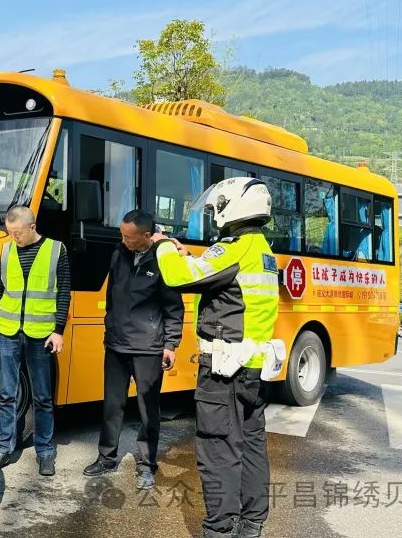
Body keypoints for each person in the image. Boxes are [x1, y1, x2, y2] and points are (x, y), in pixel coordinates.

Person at [151, 178, 284, 538]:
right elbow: (221, 282)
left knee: (217, 448)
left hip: (224, 370)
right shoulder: (261, 250)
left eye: (215, 208)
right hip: (253, 368)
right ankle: (252, 523)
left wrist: (163, 245)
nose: (213, 216)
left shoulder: (235, 247)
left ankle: (219, 529)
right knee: (252, 444)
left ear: (232, 206)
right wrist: (187, 254)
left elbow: (179, 277)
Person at [83, 210, 184, 490]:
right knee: (112, 405)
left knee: (147, 409)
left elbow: (174, 307)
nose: (123, 240)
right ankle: (106, 457)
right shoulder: (119, 254)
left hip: (148, 347)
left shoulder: (163, 260)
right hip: (116, 344)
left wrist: (170, 345)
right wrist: (109, 327)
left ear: (146, 235)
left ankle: (147, 463)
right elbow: (111, 296)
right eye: (122, 235)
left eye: (128, 236)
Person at [0, 205, 70, 476]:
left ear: (32, 227)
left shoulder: (57, 250)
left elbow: (64, 291)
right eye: (10, 233)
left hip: (41, 334)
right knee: (7, 394)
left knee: (43, 397)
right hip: (8, 331)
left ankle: (45, 452)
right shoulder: (7, 250)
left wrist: (59, 330)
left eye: (18, 233)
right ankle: (4, 449)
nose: (14, 238)